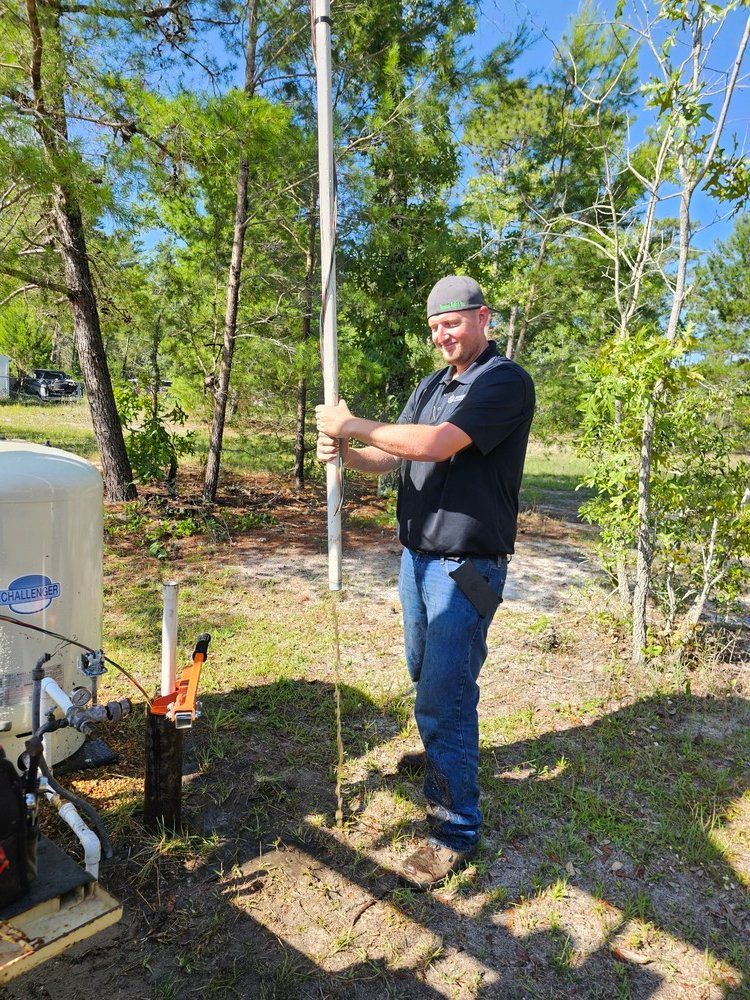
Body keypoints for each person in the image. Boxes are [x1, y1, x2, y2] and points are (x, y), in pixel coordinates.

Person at [316, 275, 535, 888]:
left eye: (454, 322)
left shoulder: (502, 382)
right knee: (426, 671)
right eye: (436, 326)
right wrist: (347, 454)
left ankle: (453, 830)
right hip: (417, 559)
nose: (444, 334)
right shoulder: (434, 384)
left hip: (466, 566)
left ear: (482, 318)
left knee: (445, 687)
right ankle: (443, 756)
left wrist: (352, 422)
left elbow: (437, 446)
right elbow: (396, 456)